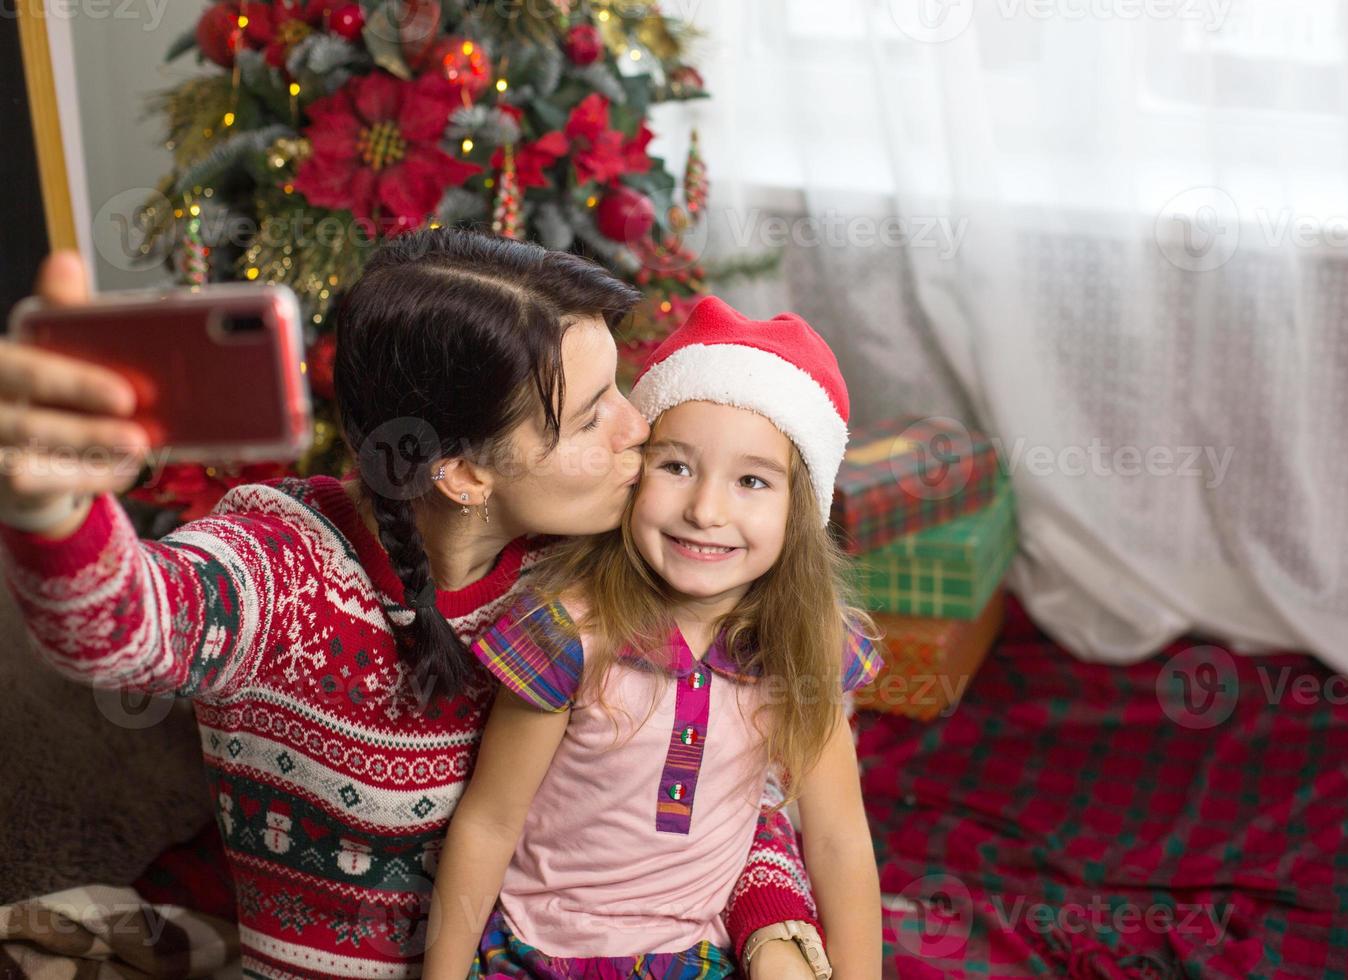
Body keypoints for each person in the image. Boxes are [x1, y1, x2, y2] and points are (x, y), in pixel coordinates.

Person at [0, 231, 831, 978]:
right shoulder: (281, 566)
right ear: (464, 474)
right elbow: (129, 629)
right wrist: (50, 508)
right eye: (589, 419)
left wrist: (775, 931)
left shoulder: (603, 568)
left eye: (620, 390)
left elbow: (711, 784)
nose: (638, 431)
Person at [423, 296, 884, 979]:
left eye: (753, 481)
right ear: (635, 473)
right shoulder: (567, 632)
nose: (705, 510)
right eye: (676, 467)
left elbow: (839, 840)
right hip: (535, 954)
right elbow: (489, 822)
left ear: (800, 513)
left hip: (692, 960)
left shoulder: (802, 648)